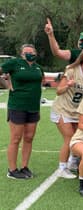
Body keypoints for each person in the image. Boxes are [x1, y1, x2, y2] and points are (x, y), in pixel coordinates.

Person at [50, 46, 83, 179]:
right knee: (69, 138)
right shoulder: (72, 70)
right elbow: (58, 91)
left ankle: (72, 162)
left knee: (79, 138)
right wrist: (68, 85)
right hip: (63, 109)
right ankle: (62, 167)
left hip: (77, 111)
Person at [1, 44, 44, 179]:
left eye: (32, 51)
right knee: (15, 138)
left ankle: (25, 167)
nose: (29, 53)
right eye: (26, 52)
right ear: (21, 54)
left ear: (35, 53)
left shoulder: (38, 68)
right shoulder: (14, 63)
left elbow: (40, 82)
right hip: (17, 105)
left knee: (29, 138)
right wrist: (7, 85)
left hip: (33, 107)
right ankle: (12, 170)